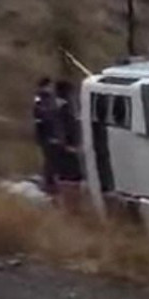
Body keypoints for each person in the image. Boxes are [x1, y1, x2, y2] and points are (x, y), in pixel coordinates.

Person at [50, 80, 85, 213]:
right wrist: (70, 147)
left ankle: (68, 206)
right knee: (71, 179)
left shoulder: (55, 106)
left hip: (60, 150)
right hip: (67, 151)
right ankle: (71, 208)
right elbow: (62, 129)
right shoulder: (63, 109)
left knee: (66, 178)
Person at [32, 77, 57, 193]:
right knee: (49, 158)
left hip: (47, 133)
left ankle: (50, 180)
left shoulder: (48, 98)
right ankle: (48, 182)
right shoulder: (41, 98)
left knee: (50, 157)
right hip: (46, 134)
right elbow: (40, 115)